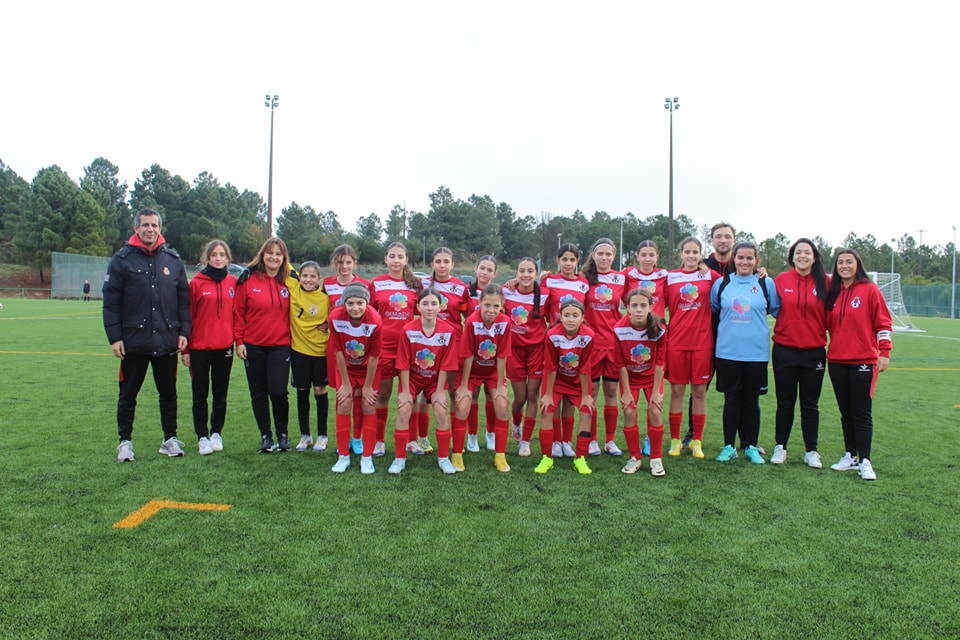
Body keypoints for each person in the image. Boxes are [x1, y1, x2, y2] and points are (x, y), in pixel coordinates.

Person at [103, 208, 191, 461]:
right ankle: (125, 442)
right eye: (145, 225)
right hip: (133, 342)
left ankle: (170, 439)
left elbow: (183, 301)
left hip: (166, 340)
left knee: (168, 393)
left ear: (160, 229)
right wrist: (115, 337)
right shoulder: (121, 260)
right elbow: (111, 302)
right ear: (136, 228)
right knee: (128, 394)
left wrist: (183, 332)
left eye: (154, 225)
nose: (150, 229)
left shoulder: (172, 260)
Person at [825, 249, 892, 481]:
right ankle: (850, 455)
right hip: (836, 360)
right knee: (846, 413)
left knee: (861, 412)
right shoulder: (833, 292)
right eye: (840, 262)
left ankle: (865, 460)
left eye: (849, 262)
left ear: (857, 265)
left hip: (863, 360)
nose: (844, 265)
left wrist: (884, 352)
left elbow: (883, 322)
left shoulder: (870, 290)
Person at [711, 242, 780, 464]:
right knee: (731, 401)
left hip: (756, 354)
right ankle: (728, 446)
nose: (745, 262)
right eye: (740, 257)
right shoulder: (722, 284)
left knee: (752, 401)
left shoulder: (766, 283)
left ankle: (751, 445)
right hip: (727, 353)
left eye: (750, 258)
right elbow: (713, 309)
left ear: (756, 261)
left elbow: (776, 310)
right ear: (734, 258)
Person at [387, 288, 461, 475]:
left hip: (435, 379)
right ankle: (399, 459)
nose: (429, 308)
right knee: (404, 409)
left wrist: (439, 390)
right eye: (425, 304)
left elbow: (446, 364)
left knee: (441, 410)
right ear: (418, 307)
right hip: (411, 377)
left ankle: (444, 458)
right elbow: (403, 362)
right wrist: (404, 391)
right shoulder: (408, 329)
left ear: (440, 306)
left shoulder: (448, 331)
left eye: (434, 304)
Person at [770, 239, 830, 467]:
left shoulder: (826, 282)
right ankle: (780, 446)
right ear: (792, 257)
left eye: (807, 252)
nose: (802, 256)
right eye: (798, 252)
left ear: (814, 257)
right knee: (785, 402)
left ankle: (811, 450)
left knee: (810, 403)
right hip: (785, 350)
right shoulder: (781, 280)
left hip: (813, 352)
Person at [234, 237, 293, 453]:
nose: (274, 257)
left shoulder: (290, 280)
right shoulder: (247, 279)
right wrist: (239, 341)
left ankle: (283, 434)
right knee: (258, 392)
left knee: (278, 391)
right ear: (262, 255)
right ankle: (266, 436)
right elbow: (238, 313)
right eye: (270, 253)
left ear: (284, 258)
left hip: (281, 346)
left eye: (278, 254)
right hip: (253, 345)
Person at [664, 237, 720, 459]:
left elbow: (734, 282)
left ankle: (697, 440)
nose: (691, 255)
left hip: (702, 344)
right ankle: (675, 440)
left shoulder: (710, 275)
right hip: (676, 342)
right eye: (687, 251)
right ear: (681, 254)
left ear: (701, 254)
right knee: (677, 391)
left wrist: (760, 272)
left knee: (699, 392)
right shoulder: (671, 277)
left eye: (695, 252)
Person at [182, 239, 237, 455]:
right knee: (200, 394)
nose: (217, 258)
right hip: (199, 348)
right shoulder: (196, 283)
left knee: (220, 394)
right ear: (207, 257)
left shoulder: (233, 283)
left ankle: (216, 433)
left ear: (227, 258)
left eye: (222, 254)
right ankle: (202, 436)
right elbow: (188, 317)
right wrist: (186, 349)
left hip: (224, 346)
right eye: (214, 254)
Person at [453, 284, 513, 472]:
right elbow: (468, 355)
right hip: (470, 372)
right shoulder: (471, 322)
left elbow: (502, 355)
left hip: (493, 371)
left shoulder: (505, 322)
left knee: (502, 405)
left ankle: (500, 456)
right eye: (487, 305)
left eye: (496, 306)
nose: (491, 310)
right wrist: (464, 385)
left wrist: (502, 384)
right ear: (480, 303)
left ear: (502, 305)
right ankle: (456, 454)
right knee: (463, 405)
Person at [534, 299, 597, 475]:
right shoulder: (552, 334)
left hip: (578, 381)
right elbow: (551, 366)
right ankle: (547, 457)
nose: (570, 319)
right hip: (556, 380)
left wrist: (586, 395)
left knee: (587, 411)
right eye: (566, 315)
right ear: (560, 317)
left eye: (575, 315)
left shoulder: (589, 335)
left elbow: (585, 368)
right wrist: (547, 393)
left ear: (582, 318)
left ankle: (581, 458)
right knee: (547, 410)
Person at [370, 243, 422, 456]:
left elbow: (425, 312)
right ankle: (379, 441)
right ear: (386, 259)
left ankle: (412, 440)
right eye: (392, 256)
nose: (396, 260)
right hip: (383, 348)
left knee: (410, 396)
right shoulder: (377, 284)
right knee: (382, 395)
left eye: (400, 256)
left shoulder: (415, 284)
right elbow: (369, 315)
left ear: (406, 260)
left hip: (408, 348)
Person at [580, 238, 629, 457]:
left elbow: (642, 295)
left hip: (613, 344)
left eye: (609, 254)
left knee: (611, 393)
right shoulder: (584, 279)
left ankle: (610, 440)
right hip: (591, 344)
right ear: (593, 255)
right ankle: (591, 440)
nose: (604, 257)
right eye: (600, 254)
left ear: (614, 256)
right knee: (591, 393)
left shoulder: (621, 278)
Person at [327, 284, 382, 474]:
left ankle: (367, 457)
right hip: (346, 367)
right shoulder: (335, 317)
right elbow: (339, 353)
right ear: (344, 303)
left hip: (369, 367)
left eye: (360, 303)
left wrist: (367, 386)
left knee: (368, 404)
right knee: (343, 404)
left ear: (366, 303)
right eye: (350, 303)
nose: (355, 307)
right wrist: (346, 384)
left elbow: (375, 357)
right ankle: (343, 456)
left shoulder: (375, 320)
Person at [322, 244, 371, 454]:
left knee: (359, 393)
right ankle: (341, 439)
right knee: (342, 394)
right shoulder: (327, 284)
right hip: (337, 347)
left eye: (348, 262)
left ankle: (357, 438)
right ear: (335, 263)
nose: (344, 266)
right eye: (340, 262)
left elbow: (370, 315)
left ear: (355, 263)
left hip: (361, 349)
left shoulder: (365, 284)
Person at [614, 288, 667, 477]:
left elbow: (661, 361)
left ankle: (656, 458)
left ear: (651, 307)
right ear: (627, 308)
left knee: (655, 409)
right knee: (629, 411)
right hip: (630, 377)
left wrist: (656, 392)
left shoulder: (659, 329)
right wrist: (626, 392)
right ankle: (634, 457)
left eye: (643, 305)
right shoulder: (619, 329)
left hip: (652, 377)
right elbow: (620, 364)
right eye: (634, 305)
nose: (638, 310)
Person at [542, 243, 588, 457]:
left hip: (575, 343)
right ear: (558, 260)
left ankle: (566, 441)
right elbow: (540, 306)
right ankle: (554, 442)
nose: (568, 263)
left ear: (577, 261)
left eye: (572, 260)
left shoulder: (584, 283)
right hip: (555, 342)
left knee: (570, 398)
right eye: (564, 259)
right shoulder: (548, 279)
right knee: (554, 396)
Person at [503, 257, 550, 459]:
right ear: (516, 273)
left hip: (537, 350)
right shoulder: (507, 291)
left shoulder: (545, 294)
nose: (525, 275)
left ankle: (525, 442)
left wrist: (549, 276)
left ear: (535, 273)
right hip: (514, 351)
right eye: (522, 271)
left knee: (533, 395)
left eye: (530, 271)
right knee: (520, 398)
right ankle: (516, 423)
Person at [289, 261, 331, 453]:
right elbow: (282, 260)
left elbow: (336, 315)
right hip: (298, 350)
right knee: (302, 390)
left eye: (312, 276)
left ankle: (322, 435)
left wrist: (328, 325)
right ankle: (305, 435)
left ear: (318, 279)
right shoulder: (294, 287)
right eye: (304, 275)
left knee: (320, 391)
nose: (308, 279)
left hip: (320, 351)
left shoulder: (325, 298)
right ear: (300, 276)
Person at [465, 255, 499, 452]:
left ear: (494, 274)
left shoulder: (500, 292)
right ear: (475, 269)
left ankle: (491, 433)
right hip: (471, 349)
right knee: (473, 394)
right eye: (482, 268)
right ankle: (472, 436)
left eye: (489, 270)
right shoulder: (465, 292)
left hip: (492, 351)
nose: (485, 273)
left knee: (491, 394)